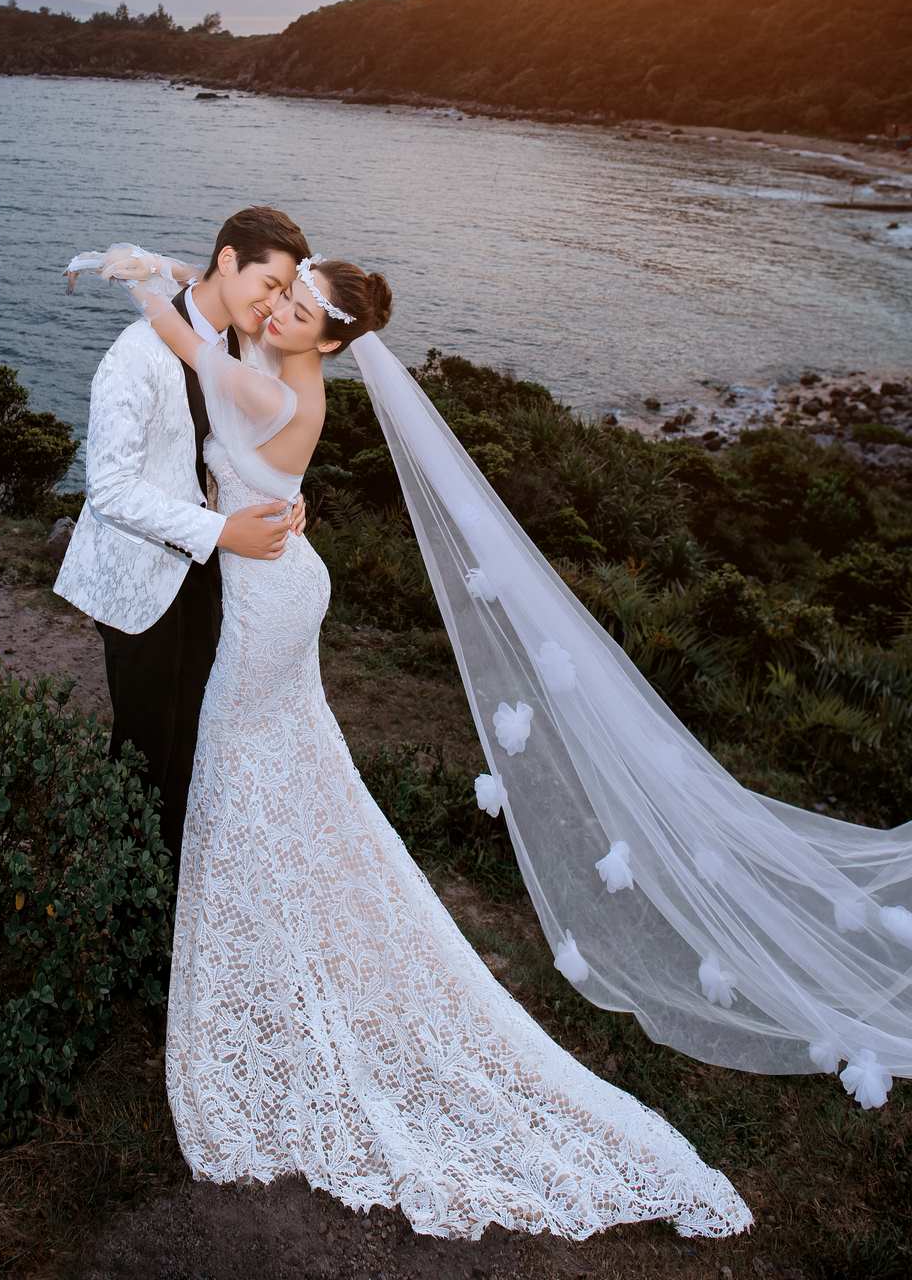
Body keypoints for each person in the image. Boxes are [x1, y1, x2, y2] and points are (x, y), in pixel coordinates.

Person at [64, 239, 754, 1243]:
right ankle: (265, 925)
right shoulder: (285, 367)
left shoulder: (278, 387)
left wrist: (139, 277)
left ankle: (243, 946)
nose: (282, 309)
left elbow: (184, 337)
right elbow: (225, 318)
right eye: (285, 291)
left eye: (302, 307)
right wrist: (189, 270)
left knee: (236, 767)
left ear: (332, 342)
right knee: (280, 770)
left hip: (264, 601)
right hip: (274, 575)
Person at [52, 206, 310, 867]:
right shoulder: (135, 355)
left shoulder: (244, 349)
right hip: (138, 575)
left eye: (286, 292)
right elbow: (110, 491)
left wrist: (287, 496)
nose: (275, 305)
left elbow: (246, 450)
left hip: (207, 573)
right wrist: (221, 530)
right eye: (270, 284)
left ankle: (171, 882)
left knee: (194, 735)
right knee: (144, 745)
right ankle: (122, 890)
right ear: (228, 262)